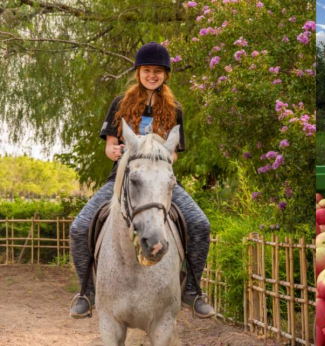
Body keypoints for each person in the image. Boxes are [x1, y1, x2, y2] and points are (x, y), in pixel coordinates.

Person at [69, 42, 216, 319]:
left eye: (158, 71)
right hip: (122, 179)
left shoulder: (175, 109)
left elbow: (173, 155)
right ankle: (87, 293)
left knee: (199, 223)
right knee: (78, 228)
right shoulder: (120, 104)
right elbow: (110, 148)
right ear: (138, 73)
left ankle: (193, 290)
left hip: (161, 182)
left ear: (165, 75)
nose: (152, 75)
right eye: (147, 70)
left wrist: (157, 156)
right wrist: (118, 151)